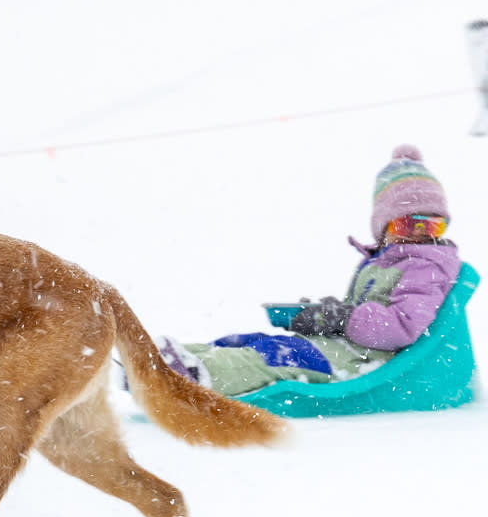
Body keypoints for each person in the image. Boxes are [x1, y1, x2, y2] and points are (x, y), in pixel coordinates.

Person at [162, 145, 462, 397]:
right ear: (383, 229)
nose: (420, 234)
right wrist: (325, 317)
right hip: (353, 350)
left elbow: (401, 328)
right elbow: (368, 315)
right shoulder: (385, 261)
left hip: (371, 363)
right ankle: (175, 357)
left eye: (432, 225)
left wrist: (343, 318)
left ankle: (190, 374)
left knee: (279, 356)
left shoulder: (426, 266)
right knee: (257, 341)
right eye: (408, 224)